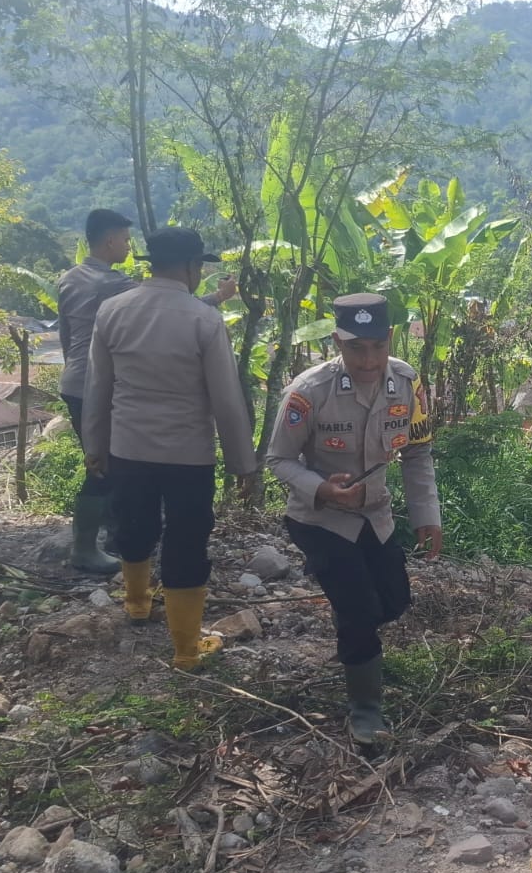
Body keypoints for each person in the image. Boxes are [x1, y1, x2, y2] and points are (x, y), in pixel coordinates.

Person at [266, 292, 442, 744]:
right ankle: (365, 711)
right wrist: (322, 488)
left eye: (376, 347)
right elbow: (279, 459)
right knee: (359, 610)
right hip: (319, 519)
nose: (368, 359)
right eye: (355, 348)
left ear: (389, 338)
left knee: (394, 601)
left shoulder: (406, 384)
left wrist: (427, 516)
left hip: (375, 514)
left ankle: (356, 640)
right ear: (338, 343)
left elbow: (417, 452)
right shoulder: (309, 392)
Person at [82, 228, 258, 670]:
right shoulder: (204, 318)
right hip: (188, 454)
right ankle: (184, 649)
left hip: (128, 447)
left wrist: (94, 446)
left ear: (151, 262)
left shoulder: (112, 311)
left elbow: (98, 388)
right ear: (191, 268)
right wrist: (242, 463)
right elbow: (226, 398)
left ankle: (137, 604)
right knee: (185, 541)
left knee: (134, 524)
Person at [56, 209, 238, 574]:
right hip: (106, 386)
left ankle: (113, 547)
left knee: (107, 467)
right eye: (124, 238)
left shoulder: (70, 279)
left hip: (76, 379)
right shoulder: (114, 287)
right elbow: (170, 307)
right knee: (108, 470)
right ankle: (94, 547)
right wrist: (217, 299)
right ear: (109, 240)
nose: (126, 244)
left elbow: (65, 334)